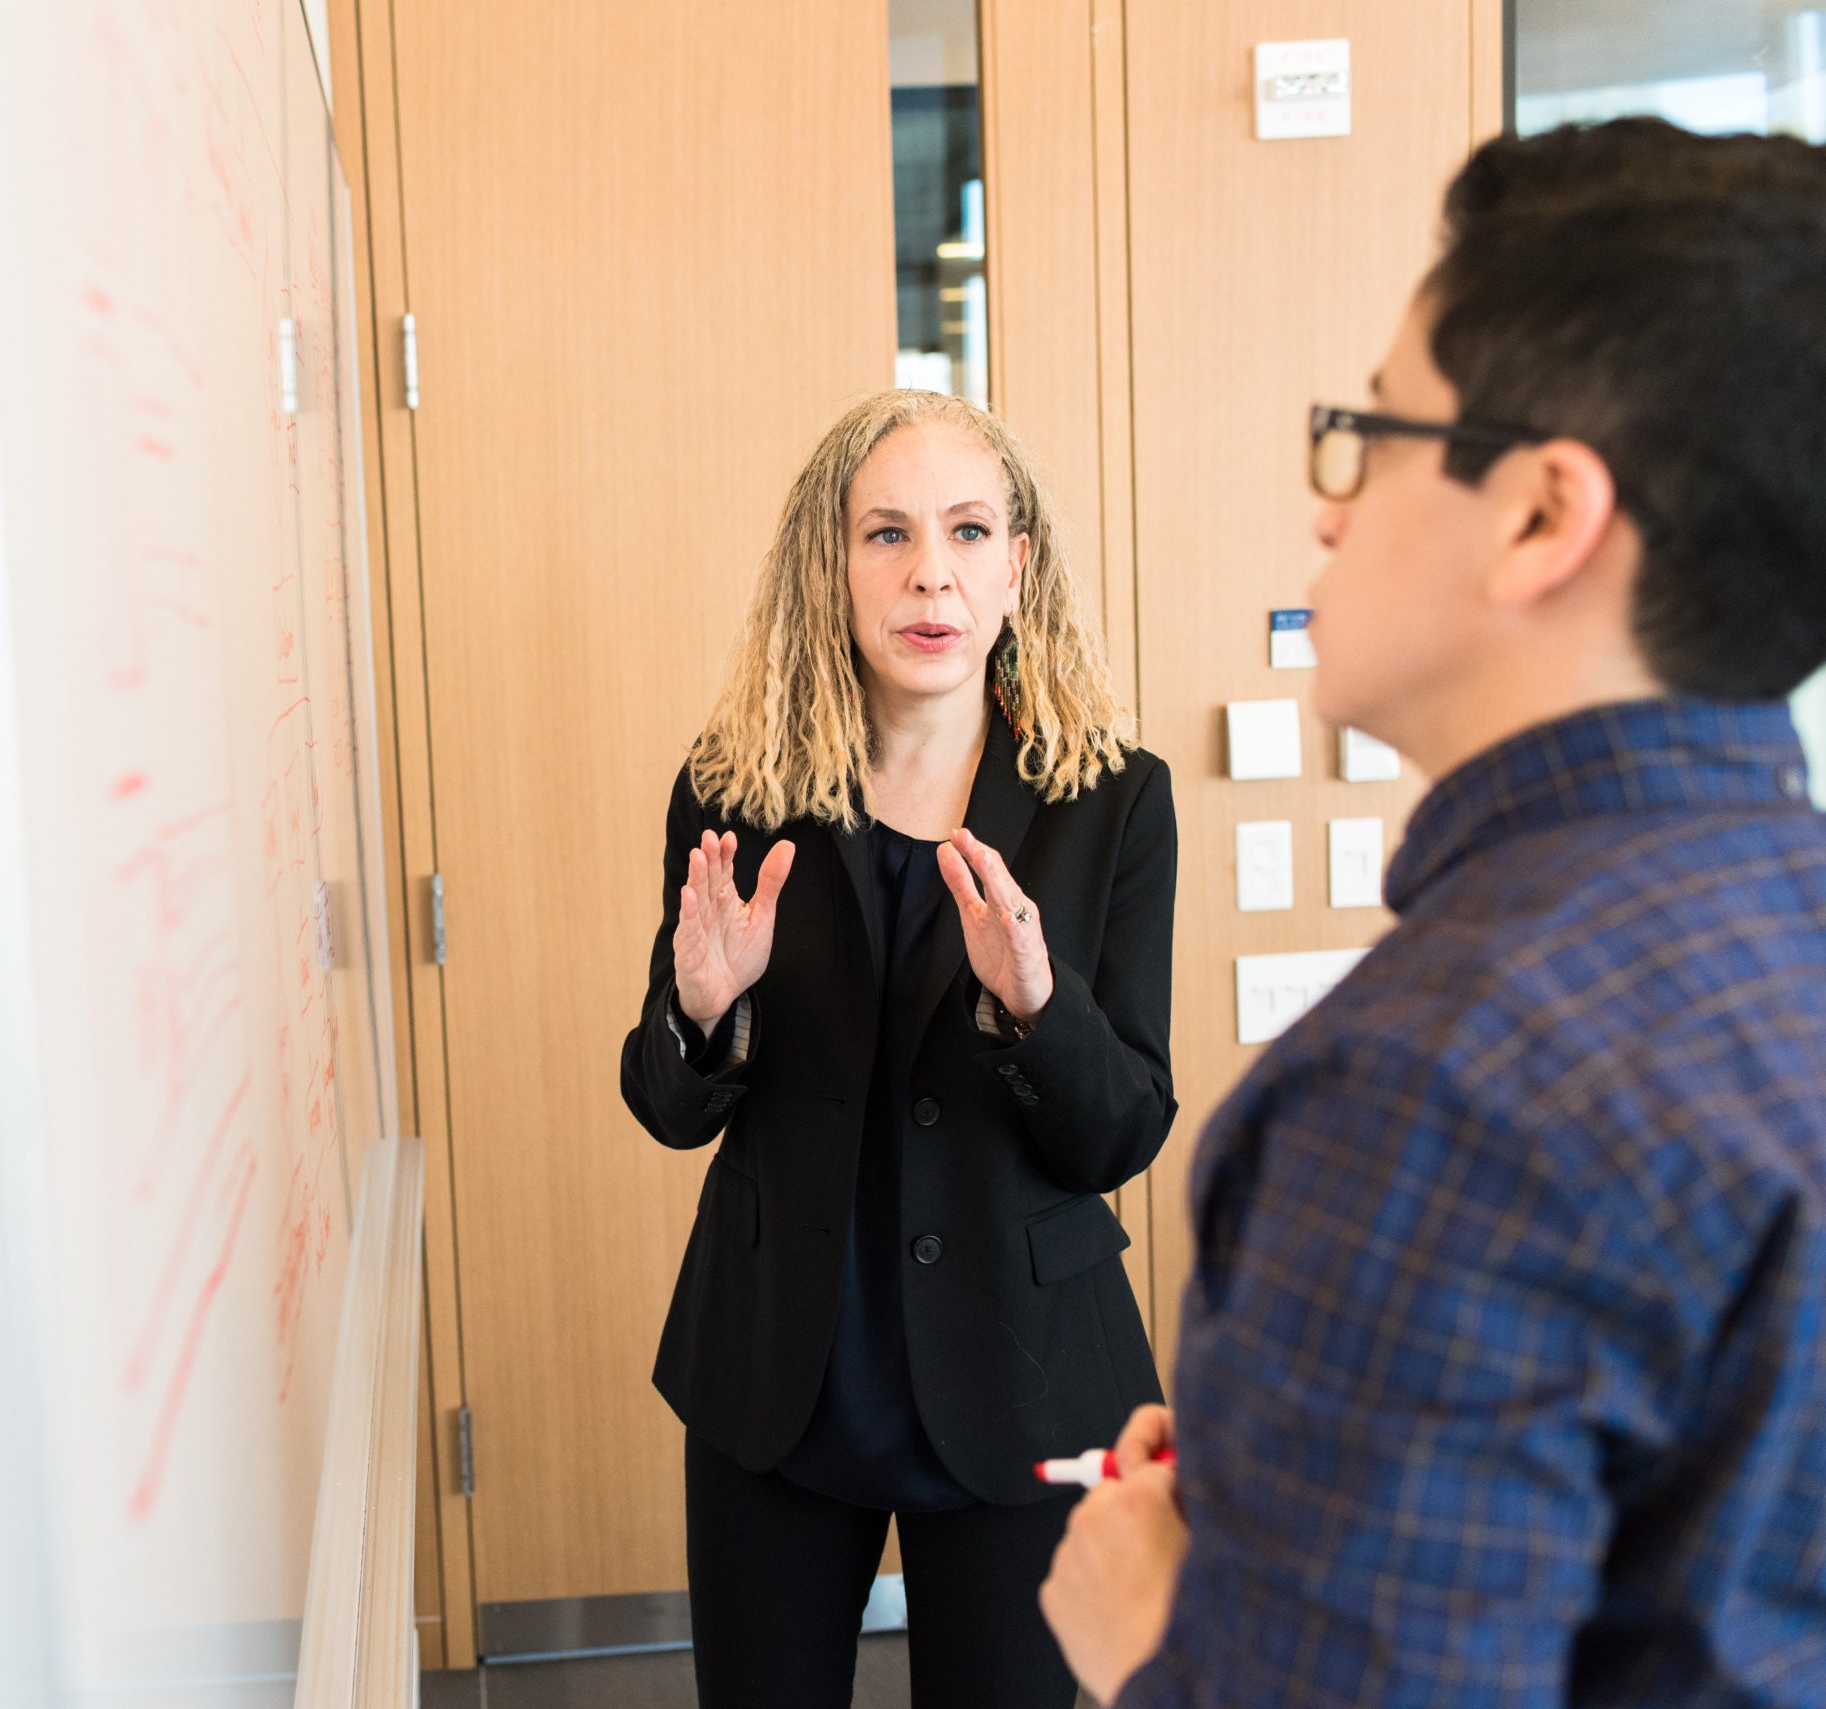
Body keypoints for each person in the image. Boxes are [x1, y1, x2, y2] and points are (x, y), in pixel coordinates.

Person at [1038, 118, 1826, 1707]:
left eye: (1373, 431)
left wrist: (1149, 1636)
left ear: (1543, 513)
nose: (1331, 509)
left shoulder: (1439, 1087)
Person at [619, 388, 1179, 1707]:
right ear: (832, 564)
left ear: (1017, 566)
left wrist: (1043, 1008)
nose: (931, 570)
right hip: (781, 1372)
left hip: (1025, 1368)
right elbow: (665, 1100)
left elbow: (1123, 1128)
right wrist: (701, 1010)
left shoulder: (1113, 801)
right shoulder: (732, 789)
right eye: (887, 534)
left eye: (970, 530)